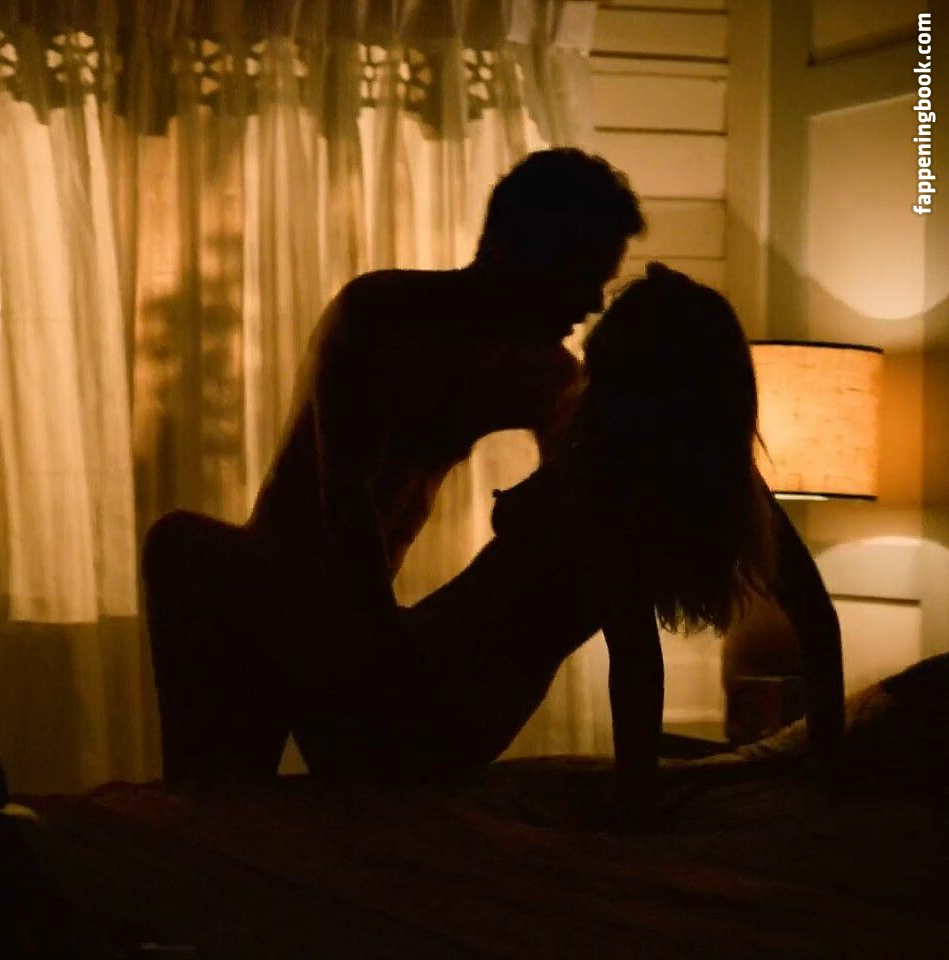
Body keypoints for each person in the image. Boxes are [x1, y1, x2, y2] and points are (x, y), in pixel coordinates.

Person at [146, 264, 846, 819]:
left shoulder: (605, 485)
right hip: (434, 713)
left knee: (185, 550)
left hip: (406, 712)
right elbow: (815, 619)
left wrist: (637, 801)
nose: (586, 385)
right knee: (233, 585)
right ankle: (211, 811)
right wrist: (830, 758)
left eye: (603, 374)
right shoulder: (721, 490)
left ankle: (200, 817)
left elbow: (635, 657)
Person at [145, 149, 645, 786]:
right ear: (519, 251)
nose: (594, 301)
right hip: (273, 597)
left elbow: (580, 510)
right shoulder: (382, 313)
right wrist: (386, 653)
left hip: (353, 631)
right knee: (182, 554)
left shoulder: (543, 374)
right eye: (583, 274)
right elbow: (344, 497)